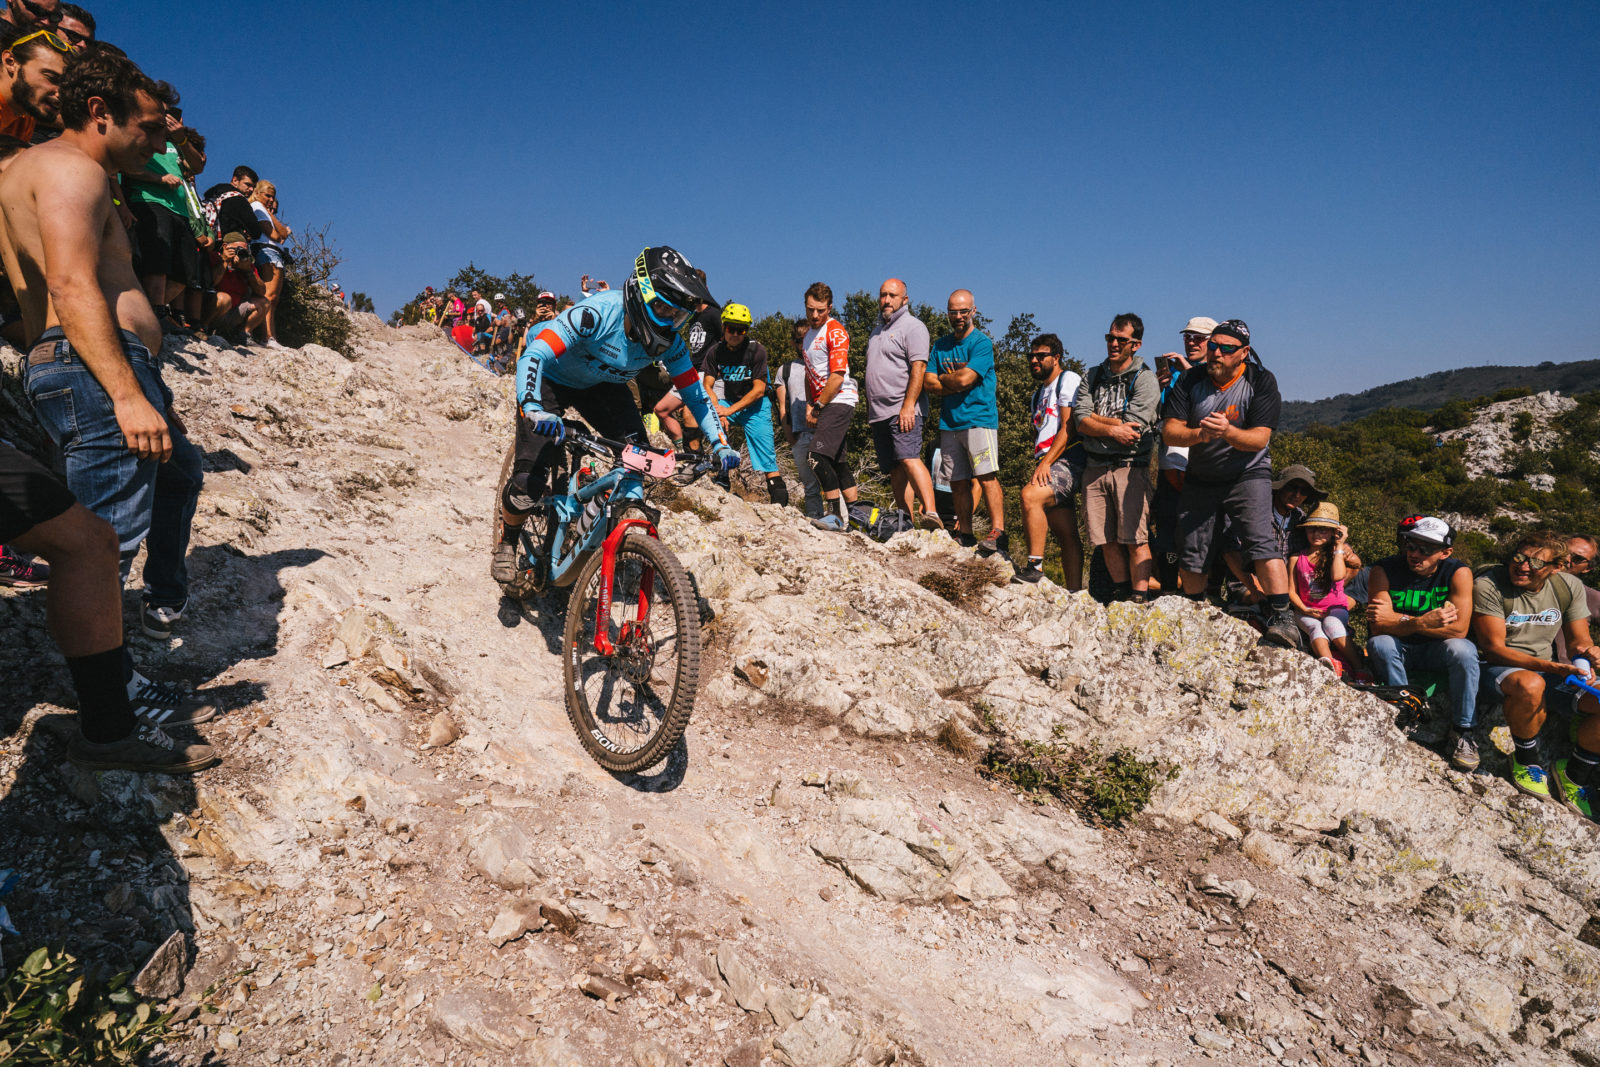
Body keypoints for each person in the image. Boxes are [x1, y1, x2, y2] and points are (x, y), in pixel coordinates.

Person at [0, 48, 210, 647]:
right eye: (148, 128)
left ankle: (162, 595)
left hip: (88, 360)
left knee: (179, 472)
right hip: (93, 364)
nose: (158, 144)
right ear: (99, 112)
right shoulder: (73, 170)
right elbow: (69, 283)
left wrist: (142, 387)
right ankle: (107, 687)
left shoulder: (37, 169)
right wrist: (125, 393)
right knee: (104, 545)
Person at [491, 246, 740, 582]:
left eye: (679, 316)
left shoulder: (672, 343)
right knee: (527, 484)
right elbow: (534, 356)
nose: (670, 322)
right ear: (640, 294)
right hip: (553, 376)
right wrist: (533, 408)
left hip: (603, 386)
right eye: (663, 309)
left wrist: (720, 444)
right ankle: (507, 541)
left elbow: (695, 396)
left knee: (639, 460)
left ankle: (588, 527)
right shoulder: (597, 312)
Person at [1472, 531, 1597, 816]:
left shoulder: (1568, 586)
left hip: (1546, 669)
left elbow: (1578, 640)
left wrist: (1588, 656)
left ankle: (1574, 774)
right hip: (1493, 667)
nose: (1523, 566)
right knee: (1530, 685)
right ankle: (1527, 760)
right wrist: (1552, 668)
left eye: (1536, 563)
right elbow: (1494, 649)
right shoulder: (1488, 585)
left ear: (1556, 567)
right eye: (1519, 557)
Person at [1365, 516, 1480, 769]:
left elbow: (1459, 630)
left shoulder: (1458, 573)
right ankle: (1405, 710)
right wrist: (1422, 622)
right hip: (1398, 648)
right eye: (1411, 545)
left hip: (1434, 650)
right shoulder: (1383, 570)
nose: (1415, 554)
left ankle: (1463, 730)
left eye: (1426, 549)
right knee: (1381, 643)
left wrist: (1400, 620)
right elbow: (1378, 626)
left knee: (1464, 650)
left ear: (1445, 553)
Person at [1077, 313, 1158, 601]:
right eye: (1110, 338)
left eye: (1121, 340)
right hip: (1095, 468)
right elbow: (1080, 420)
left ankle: (1140, 596)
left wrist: (1095, 421)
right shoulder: (1092, 375)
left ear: (1136, 344)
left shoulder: (1145, 379)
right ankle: (1122, 594)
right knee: (1105, 540)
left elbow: (1134, 428)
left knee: (1135, 538)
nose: (1113, 344)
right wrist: (1113, 428)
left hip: (1130, 467)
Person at [923, 289, 1005, 553]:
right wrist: (953, 381)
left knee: (986, 476)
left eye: (963, 311)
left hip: (979, 420)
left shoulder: (981, 343)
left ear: (973, 311)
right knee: (956, 481)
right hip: (950, 423)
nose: (958, 316)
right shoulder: (940, 345)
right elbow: (928, 382)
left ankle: (998, 532)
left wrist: (946, 379)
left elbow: (966, 379)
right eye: (953, 312)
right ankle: (966, 533)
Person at [863, 277, 937, 524]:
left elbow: (919, 367)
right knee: (894, 468)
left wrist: (908, 406)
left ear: (905, 300)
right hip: (879, 414)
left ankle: (931, 512)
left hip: (902, 409)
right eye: (883, 295)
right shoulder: (876, 332)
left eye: (892, 296)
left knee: (909, 458)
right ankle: (905, 521)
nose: (886, 300)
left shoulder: (913, 327)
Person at [699, 302, 786, 505]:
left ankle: (781, 508)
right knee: (707, 420)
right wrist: (719, 411)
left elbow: (758, 390)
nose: (736, 334)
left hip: (756, 406)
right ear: (724, 327)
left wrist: (728, 410)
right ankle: (721, 474)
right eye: (731, 328)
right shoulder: (715, 352)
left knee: (768, 460)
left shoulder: (756, 351)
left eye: (742, 330)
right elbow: (707, 386)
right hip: (729, 401)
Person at [1152, 317, 1215, 591]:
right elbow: (1161, 415)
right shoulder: (1176, 373)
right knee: (1168, 524)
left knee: (1202, 529)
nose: (1191, 343)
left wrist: (1188, 370)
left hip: (1205, 462)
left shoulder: (1217, 372)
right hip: (1171, 461)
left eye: (1198, 338)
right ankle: (1169, 587)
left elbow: (1211, 400)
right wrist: (1160, 386)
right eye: (1187, 337)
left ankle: (1206, 590)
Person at [1016, 333, 1083, 588]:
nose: (1034, 360)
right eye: (1031, 356)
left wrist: (1046, 464)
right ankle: (1075, 591)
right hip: (1048, 459)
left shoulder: (1068, 380)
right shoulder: (1038, 394)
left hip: (1068, 457)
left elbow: (1069, 427)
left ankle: (1035, 567)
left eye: (1041, 355)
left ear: (1056, 358)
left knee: (1030, 496)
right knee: (1065, 530)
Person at [799, 282, 858, 532]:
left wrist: (818, 407)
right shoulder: (808, 335)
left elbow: (837, 376)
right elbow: (808, 374)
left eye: (820, 310)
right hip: (824, 402)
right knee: (838, 462)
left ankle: (835, 516)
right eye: (810, 309)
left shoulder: (835, 331)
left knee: (816, 456)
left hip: (839, 399)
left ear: (830, 308)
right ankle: (857, 519)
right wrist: (809, 403)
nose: (814, 315)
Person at [1289, 503, 1352, 672]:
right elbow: (1291, 590)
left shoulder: (1337, 554)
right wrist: (1305, 609)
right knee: (1314, 627)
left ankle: (1360, 667)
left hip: (1335, 608)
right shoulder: (1296, 558)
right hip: (1306, 608)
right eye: (1312, 529)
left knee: (1331, 623)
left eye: (1323, 530)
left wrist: (1339, 545)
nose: (1316, 534)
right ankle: (1331, 667)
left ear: (1333, 532)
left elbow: (1337, 575)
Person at [774, 319, 823, 519]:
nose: (803, 344)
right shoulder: (785, 370)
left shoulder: (825, 365)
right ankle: (814, 519)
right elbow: (782, 406)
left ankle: (842, 522)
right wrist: (789, 435)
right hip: (799, 434)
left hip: (823, 432)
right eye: (798, 340)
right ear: (793, 342)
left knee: (832, 481)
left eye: (806, 338)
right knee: (810, 484)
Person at [0, 23, 66, 142]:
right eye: (51, 78)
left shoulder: (24, 119)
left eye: (65, 86)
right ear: (10, 62)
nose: (60, 94)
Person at [248, 179, 290, 347]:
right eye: (268, 196)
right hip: (267, 252)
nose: (271, 200)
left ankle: (270, 337)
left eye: (273, 197)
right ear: (257, 193)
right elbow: (277, 235)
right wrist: (269, 213)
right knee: (269, 296)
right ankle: (266, 336)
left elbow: (282, 235)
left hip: (271, 252)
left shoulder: (261, 208)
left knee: (273, 298)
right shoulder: (258, 207)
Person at [1553, 534, 1600, 661]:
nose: (1567, 559)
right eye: (1564, 552)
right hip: (1522, 667)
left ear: (1588, 568)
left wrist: (1596, 653)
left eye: (1577, 558)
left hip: (1570, 668)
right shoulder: (1526, 584)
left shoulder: (1591, 597)